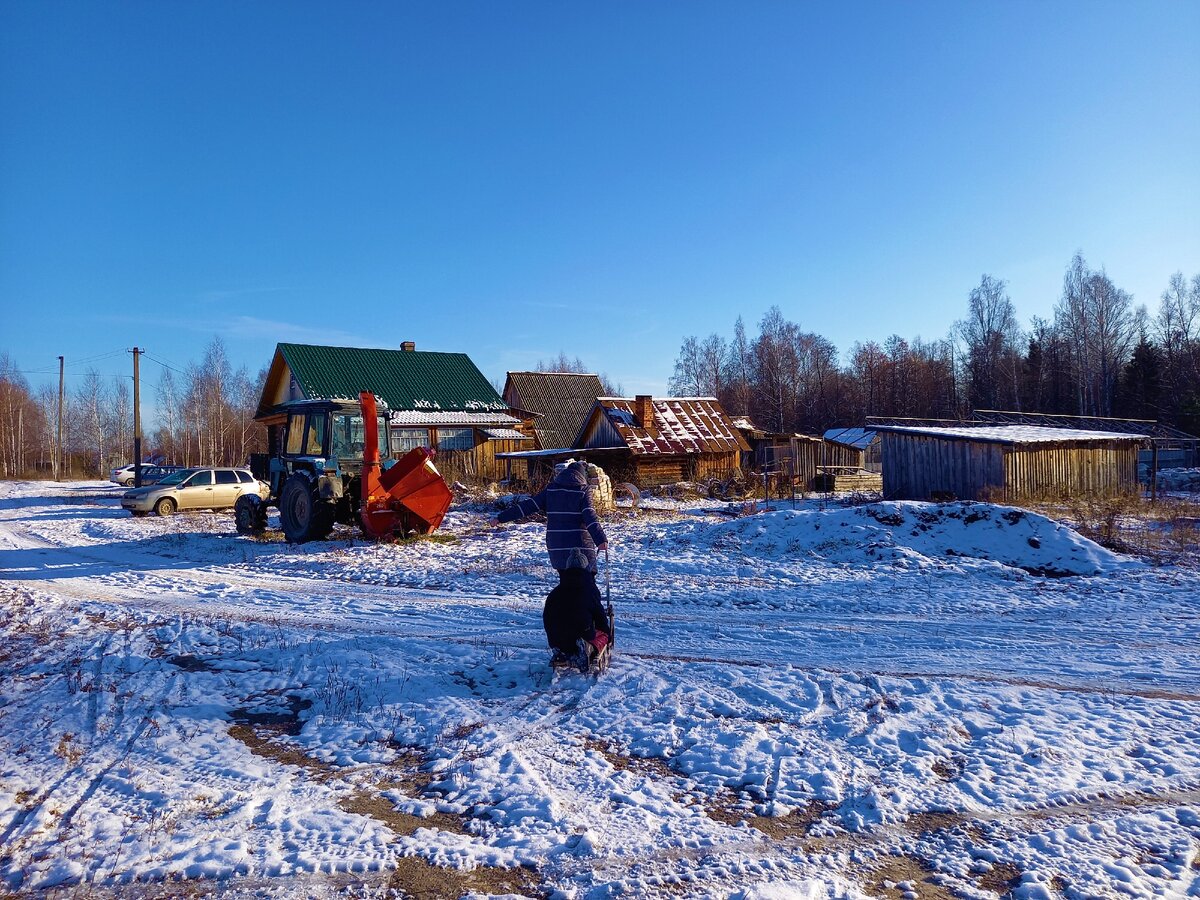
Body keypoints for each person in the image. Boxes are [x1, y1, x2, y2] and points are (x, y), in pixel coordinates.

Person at [490, 460, 611, 671]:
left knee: (567, 588)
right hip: (580, 546)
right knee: (586, 589)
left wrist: (500, 518)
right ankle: (586, 634)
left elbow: (526, 507)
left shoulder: (551, 490)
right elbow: (589, 516)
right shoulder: (582, 491)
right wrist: (600, 538)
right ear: (582, 476)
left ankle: (569, 636)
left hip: (557, 549)